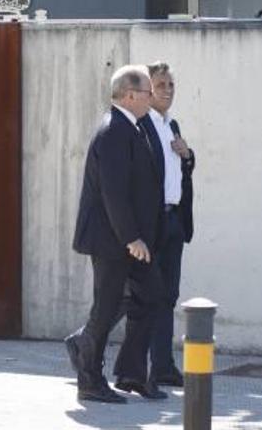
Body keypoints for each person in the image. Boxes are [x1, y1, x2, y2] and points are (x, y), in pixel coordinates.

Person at [65, 65, 165, 403]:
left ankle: (132, 373)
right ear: (131, 94)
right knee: (107, 306)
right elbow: (113, 193)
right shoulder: (113, 131)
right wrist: (131, 238)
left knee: (151, 296)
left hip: (131, 238)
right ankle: (89, 380)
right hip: (112, 239)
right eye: (148, 92)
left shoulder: (131, 127)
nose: (153, 98)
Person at [137, 61, 195, 388]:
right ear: (147, 90)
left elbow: (180, 170)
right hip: (151, 222)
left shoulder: (172, 125)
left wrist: (187, 156)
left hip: (174, 219)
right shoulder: (141, 126)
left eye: (171, 85)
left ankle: (162, 366)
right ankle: (87, 340)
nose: (168, 91)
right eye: (161, 85)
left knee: (168, 295)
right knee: (142, 295)